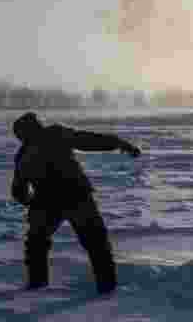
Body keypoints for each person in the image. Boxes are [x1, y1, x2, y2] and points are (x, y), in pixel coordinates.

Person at [10, 112, 141, 294]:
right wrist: (119, 143)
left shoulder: (34, 147)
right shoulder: (46, 139)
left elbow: (18, 190)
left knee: (39, 244)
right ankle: (105, 287)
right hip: (67, 198)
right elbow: (87, 140)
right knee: (94, 244)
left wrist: (31, 204)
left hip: (62, 199)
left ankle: (38, 285)